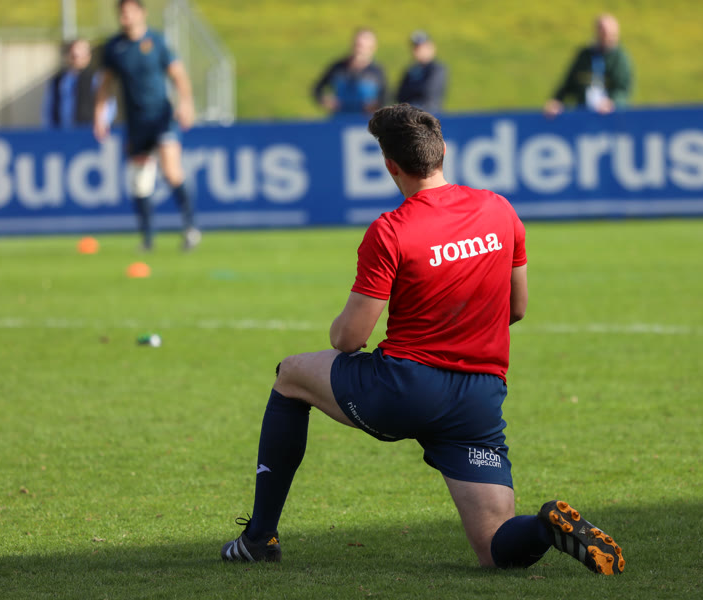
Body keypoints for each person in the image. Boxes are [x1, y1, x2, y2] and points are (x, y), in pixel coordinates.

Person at [220, 104, 625, 575]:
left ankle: (259, 538)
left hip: (404, 388)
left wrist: (339, 329)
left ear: (390, 165)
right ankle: (543, 529)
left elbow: (350, 339)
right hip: (477, 397)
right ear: (443, 151)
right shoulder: (500, 209)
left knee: (291, 375)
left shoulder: (391, 230)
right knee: (494, 546)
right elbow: (516, 308)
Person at [94, 0, 201, 252]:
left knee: (171, 171)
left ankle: (190, 228)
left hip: (162, 118)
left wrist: (186, 103)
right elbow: (105, 84)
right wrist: (100, 115)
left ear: (142, 13)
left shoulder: (157, 42)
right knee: (140, 182)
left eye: (130, 12)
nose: (126, 17)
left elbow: (178, 75)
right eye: (122, 13)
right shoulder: (114, 47)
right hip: (136, 123)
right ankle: (148, 239)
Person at [544, 14, 633, 118]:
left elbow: (623, 89)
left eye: (609, 33)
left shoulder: (619, 58)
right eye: (602, 32)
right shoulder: (585, 55)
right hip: (584, 113)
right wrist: (556, 101)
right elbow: (568, 83)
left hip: (609, 116)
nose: (606, 37)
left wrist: (612, 102)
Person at [42, 39, 116, 129]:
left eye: (80, 55)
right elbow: (49, 108)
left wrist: (101, 125)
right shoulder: (58, 80)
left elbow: (108, 105)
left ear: (88, 56)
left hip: (87, 131)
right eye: (73, 55)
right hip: (62, 131)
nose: (76, 57)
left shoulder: (96, 77)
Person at [312, 28, 387, 116]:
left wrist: (376, 106)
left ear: (372, 48)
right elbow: (317, 88)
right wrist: (324, 100)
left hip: (366, 119)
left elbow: (385, 96)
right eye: (357, 45)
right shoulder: (338, 67)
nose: (360, 50)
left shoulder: (376, 71)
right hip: (340, 117)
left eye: (364, 47)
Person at [396, 30, 448, 114]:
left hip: (429, 114)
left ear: (430, 47)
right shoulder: (411, 70)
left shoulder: (437, 69)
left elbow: (428, 92)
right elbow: (400, 95)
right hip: (410, 114)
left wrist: (411, 90)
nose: (417, 51)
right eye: (415, 47)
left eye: (420, 47)